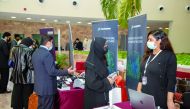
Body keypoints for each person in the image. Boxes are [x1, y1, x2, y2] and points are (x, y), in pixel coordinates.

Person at [32, 35, 75, 109]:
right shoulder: (47, 54)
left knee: (41, 106)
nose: (52, 44)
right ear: (48, 42)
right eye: (52, 42)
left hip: (39, 87)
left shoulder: (35, 52)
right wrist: (67, 71)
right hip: (47, 88)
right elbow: (52, 71)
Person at [137, 30, 177, 109]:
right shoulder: (147, 55)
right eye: (148, 39)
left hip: (158, 98)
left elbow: (171, 81)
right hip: (144, 96)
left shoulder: (169, 56)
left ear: (159, 41)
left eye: (151, 39)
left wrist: (169, 101)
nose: (148, 42)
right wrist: (139, 90)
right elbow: (142, 74)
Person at [84, 37, 115, 109]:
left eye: (106, 45)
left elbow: (103, 75)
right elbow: (92, 83)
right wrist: (107, 81)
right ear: (98, 46)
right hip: (95, 100)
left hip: (102, 97)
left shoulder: (101, 58)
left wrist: (109, 78)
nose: (106, 47)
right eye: (104, 45)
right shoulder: (91, 63)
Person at [10, 37, 35, 109]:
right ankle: (26, 106)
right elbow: (31, 65)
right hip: (26, 76)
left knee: (16, 91)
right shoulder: (29, 50)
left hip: (16, 74)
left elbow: (11, 62)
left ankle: (16, 106)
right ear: (29, 44)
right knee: (27, 93)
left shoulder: (14, 48)